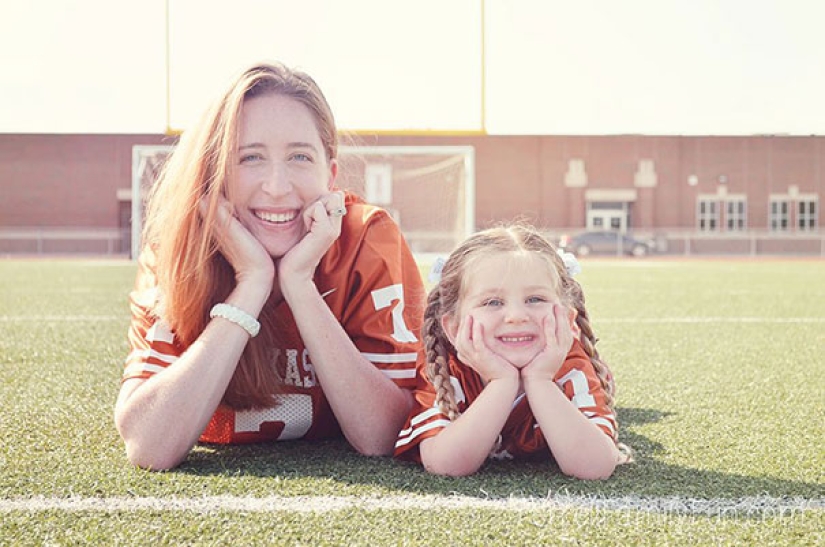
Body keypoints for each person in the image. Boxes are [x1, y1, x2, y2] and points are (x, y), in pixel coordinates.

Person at [115, 62, 425, 470]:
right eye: (250, 158)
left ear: (330, 175)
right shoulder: (179, 247)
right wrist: (252, 282)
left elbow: (383, 434)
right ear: (215, 173)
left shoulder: (366, 238)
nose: (277, 187)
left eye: (300, 157)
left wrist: (299, 284)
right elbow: (149, 445)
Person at [394, 224, 631, 479]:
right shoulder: (443, 365)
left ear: (566, 319)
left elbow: (595, 467)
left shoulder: (571, 364)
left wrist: (540, 380)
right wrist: (502, 381)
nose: (516, 316)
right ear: (453, 328)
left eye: (535, 299)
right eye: (492, 302)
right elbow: (445, 464)